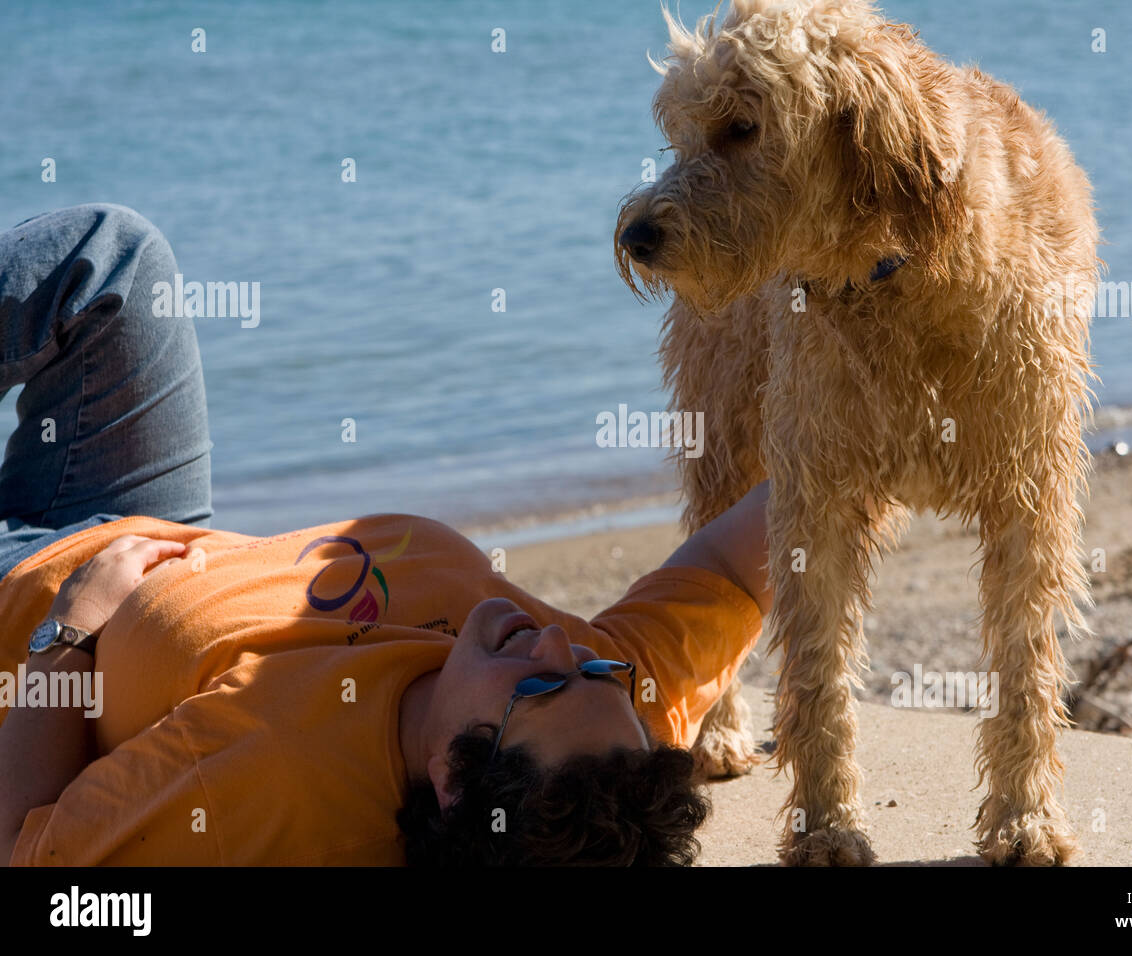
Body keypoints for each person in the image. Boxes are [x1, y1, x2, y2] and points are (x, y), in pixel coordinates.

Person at [0, 204, 771, 866]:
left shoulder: (266, 789)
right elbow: (748, 557)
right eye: (597, 670)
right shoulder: (613, 723)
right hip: (155, 525)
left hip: (25, 598)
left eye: (538, 687)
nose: (561, 646)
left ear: (452, 779)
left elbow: (27, 856)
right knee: (112, 259)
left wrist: (64, 637)